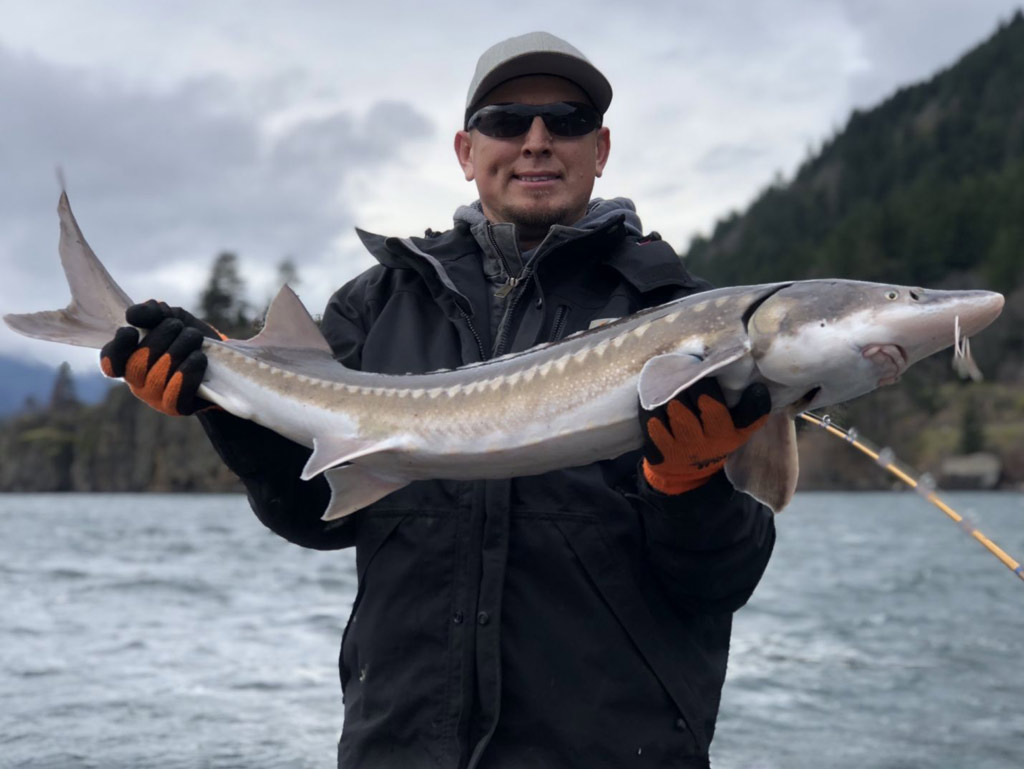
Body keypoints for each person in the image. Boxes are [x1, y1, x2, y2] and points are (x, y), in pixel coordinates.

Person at [100, 31, 776, 769]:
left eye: (568, 121)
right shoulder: (378, 304)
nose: (538, 141)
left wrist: (689, 489)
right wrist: (224, 406)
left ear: (602, 148)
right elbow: (317, 515)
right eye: (508, 121)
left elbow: (722, 579)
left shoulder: (685, 318)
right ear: (465, 150)